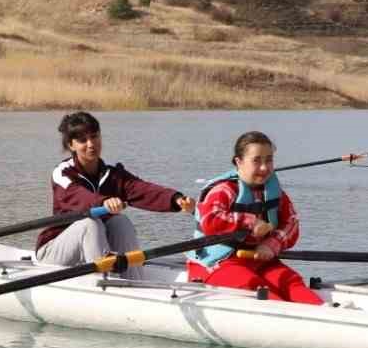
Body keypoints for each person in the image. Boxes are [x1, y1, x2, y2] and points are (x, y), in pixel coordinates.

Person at [35, 111, 194, 279]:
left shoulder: (112, 175)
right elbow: (80, 197)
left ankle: (134, 281)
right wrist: (104, 202)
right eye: (83, 140)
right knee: (90, 223)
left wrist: (175, 199)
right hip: (54, 253)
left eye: (95, 137)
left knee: (121, 222)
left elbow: (142, 189)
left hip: (92, 250)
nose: (91, 144)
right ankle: (103, 283)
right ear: (70, 145)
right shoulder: (62, 174)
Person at [188, 131, 323, 305]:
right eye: (256, 160)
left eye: (269, 160)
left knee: (291, 281)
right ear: (239, 162)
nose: (264, 167)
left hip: (257, 259)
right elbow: (211, 220)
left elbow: (291, 223)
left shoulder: (275, 192)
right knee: (256, 288)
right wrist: (251, 222)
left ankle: (325, 311)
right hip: (217, 263)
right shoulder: (223, 190)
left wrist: (271, 244)